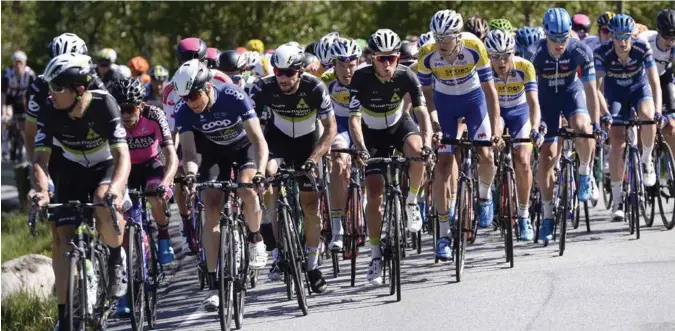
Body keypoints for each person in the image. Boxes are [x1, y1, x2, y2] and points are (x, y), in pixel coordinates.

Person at [32, 53, 131, 330]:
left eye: (56, 87)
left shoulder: (105, 104)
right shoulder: (49, 109)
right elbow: (40, 161)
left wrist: (116, 188)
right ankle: (65, 315)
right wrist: (41, 191)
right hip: (71, 169)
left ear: (79, 90)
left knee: (102, 200)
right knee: (65, 241)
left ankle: (114, 257)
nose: (50, 93)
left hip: (104, 165)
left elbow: (123, 156)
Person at [173, 59, 269, 311]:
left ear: (207, 88)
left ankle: (256, 238)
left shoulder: (234, 97)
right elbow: (191, 154)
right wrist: (191, 175)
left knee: (245, 187)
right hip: (212, 154)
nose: (190, 103)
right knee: (212, 206)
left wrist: (260, 171)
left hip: (243, 148)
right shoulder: (185, 112)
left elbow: (258, 141)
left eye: (194, 96)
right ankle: (216, 284)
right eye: (184, 98)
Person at [249, 43, 336, 293]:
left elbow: (330, 130)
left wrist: (314, 158)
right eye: (279, 72)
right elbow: (251, 127)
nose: (283, 78)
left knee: (310, 205)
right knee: (269, 176)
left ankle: (312, 266)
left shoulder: (314, 87)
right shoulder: (263, 87)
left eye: (289, 73)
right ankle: (277, 254)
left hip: (308, 144)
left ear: (299, 71)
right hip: (277, 142)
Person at [349, 29, 432, 284]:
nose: (387, 64)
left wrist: (428, 143)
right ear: (372, 58)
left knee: (418, 152)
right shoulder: (360, 78)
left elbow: (422, 113)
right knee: (374, 191)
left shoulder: (406, 75)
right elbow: (354, 119)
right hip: (372, 134)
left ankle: (411, 202)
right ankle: (375, 255)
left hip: (398, 126)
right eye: (381, 59)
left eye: (392, 58)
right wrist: (361, 148)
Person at [418, 10, 500, 259]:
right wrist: (434, 124)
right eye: (437, 37)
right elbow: (426, 94)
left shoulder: (475, 46)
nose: (441, 43)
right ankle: (443, 235)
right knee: (443, 163)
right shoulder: (427, 54)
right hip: (444, 105)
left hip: (474, 101)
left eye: (447, 37)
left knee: (485, 153)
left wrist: (496, 130)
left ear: (458, 36)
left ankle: (484, 197)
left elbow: (490, 91)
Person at [527, 8, 600, 244]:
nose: (559, 44)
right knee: (547, 156)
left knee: (582, 126)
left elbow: (591, 90)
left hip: (571, 93)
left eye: (564, 37)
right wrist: (535, 125)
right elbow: (528, 94)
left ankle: (585, 172)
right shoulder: (533, 52)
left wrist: (596, 124)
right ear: (545, 33)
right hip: (545, 100)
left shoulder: (580, 49)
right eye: (554, 38)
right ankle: (548, 216)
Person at [109, 78, 178, 315]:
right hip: (124, 170)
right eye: (120, 109)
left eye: (130, 109)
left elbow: (171, 155)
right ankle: (125, 293)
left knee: (155, 195)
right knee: (124, 227)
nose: (125, 115)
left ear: (140, 106)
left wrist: (167, 182)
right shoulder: (109, 120)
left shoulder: (155, 115)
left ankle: (164, 237)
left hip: (151, 164)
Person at [161, 37, 232, 255]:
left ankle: (234, 214)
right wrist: (171, 163)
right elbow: (172, 131)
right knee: (182, 172)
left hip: (220, 131)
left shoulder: (220, 78)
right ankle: (188, 224)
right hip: (190, 134)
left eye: (198, 59)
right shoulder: (172, 88)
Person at [595, 14, 663, 221]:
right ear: (611, 37)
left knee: (648, 115)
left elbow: (654, 83)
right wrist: (605, 114)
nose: (622, 42)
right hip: (615, 95)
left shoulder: (642, 48)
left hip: (639, 90)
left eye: (627, 36)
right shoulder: (602, 53)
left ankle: (646, 160)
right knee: (617, 143)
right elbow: (596, 88)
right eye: (617, 37)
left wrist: (659, 110)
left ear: (633, 36)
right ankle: (617, 200)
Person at [485, 29, 544, 241]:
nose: (501, 62)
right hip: (496, 112)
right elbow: (489, 108)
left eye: (506, 55)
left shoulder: (525, 67)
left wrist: (535, 128)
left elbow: (533, 103)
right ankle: (489, 192)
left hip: (520, 113)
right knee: (488, 151)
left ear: (514, 53)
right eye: (495, 56)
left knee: (523, 160)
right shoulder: (484, 70)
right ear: (488, 55)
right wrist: (496, 134)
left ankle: (523, 214)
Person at [320, 37, 362, 252]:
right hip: (340, 127)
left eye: (351, 65)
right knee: (338, 161)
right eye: (342, 65)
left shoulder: (368, 76)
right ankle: (337, 228)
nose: (347, 71)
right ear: (333, 65)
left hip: (366, 125)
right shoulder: (326, 82)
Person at [2, 50, 36, 161]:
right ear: (13, 63)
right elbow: (3, 94)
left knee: (25, 126)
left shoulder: (30, 75)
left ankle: (23, 150)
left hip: (24, 103)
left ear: (25, 63)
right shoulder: (7, 75)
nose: (18, 65)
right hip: (10, 104)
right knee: (5, 121)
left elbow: (33, 94)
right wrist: (3, 110)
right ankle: (5, 149)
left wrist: (31, 111)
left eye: (20, 62)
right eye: (16, 62)